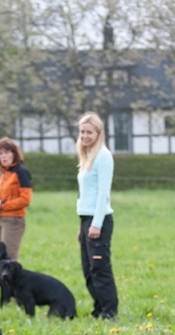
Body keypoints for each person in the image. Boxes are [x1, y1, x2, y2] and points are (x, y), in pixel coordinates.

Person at [75, 112, 118, 319]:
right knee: (88, 269)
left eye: (89, 132)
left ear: (98, 133)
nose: (85, 135)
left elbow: (103, 194)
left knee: (100, 269)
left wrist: (96, 224)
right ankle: (98, 309)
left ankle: (110, 312)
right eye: (82, 131)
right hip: (86, 219)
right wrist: (82, 226)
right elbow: (85, 194)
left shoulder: (103, 156)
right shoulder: (87, 156)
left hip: (98, 220)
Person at [0, 137, 32, 261]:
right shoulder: (4, 174)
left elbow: (25, 199)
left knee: (8, 261)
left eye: (7, 152)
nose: (3, 156)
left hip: (13, 221)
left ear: (14, 154)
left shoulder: (21, 172)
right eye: (0, 153)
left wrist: (2, 205)